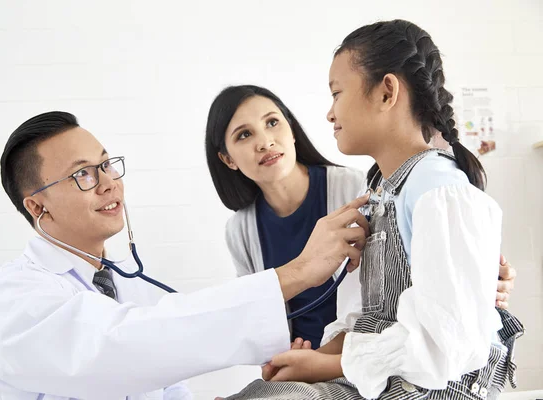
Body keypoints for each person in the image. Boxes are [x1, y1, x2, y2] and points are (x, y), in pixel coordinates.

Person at [219, 19, 524, 400]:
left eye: (336, 94)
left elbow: (449, 345)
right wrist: (312, 363)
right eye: (244, 135)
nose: (330, 114)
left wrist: (330, 365)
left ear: (386, 92)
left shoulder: (437, 190)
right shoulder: (379, 191)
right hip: (374, 378)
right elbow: (365, 314)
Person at [0, 111, 371, 399]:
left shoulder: (125, 285)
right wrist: (297, 272)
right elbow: (123, 347)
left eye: (106, 165)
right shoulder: (15, 296)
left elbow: (166, 380)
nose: (108, 183)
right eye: (83, 174)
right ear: (37, 207)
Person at [204, 85, 517, 351]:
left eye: (272, 123)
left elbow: (409, 280)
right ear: (227, 159)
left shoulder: (357, 189)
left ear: (291, 129)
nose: (265, 141)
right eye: (244, 135)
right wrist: (281, 359)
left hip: (363, 356)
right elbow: (254, 317)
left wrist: (477, 279)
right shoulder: (240, 231)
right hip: (299, 363)